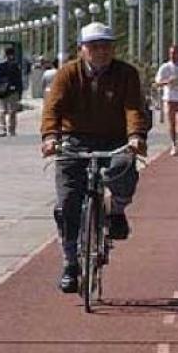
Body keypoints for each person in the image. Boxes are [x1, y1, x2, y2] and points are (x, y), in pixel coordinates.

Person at [41, 22, 149, 295]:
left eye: (106, 46)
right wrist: (50, 137)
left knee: (123, 170)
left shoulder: (126, 74)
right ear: (82, 49)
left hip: (115, 139)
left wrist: (135, 136)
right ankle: (70, 263)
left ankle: (116, 211)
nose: (101, 51)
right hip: (74, 139)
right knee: (67, 203)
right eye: (94, 46)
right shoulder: (68, 73)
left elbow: (133, 108)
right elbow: (53, 107)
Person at [0, 46, 23, 137]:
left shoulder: (0, 66)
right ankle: (11, 129)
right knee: (12, 111)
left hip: (1, 91)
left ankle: (2, 129)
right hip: (12, 91)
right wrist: (19, 92)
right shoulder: (15, 66)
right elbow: (19, 80)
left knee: (2, 111)